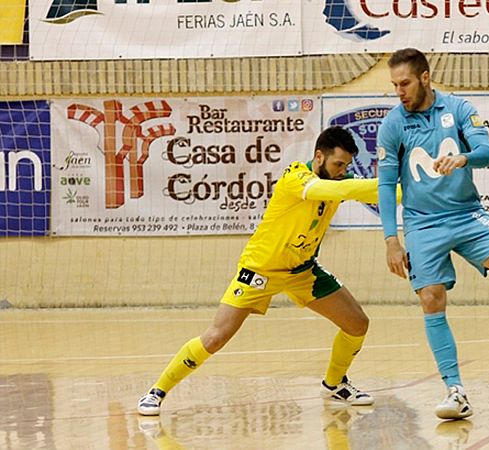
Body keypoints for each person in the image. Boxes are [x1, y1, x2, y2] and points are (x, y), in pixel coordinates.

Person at [138, 126, 385, 416]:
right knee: (216, 336)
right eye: (338, 164)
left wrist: (415, 188)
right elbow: (333, 190)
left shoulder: (338, 180)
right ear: (319, 156)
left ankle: (334, 383)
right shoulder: (296, 177)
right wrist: (377, 184)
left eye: (346, 166)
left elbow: (376, 192)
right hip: (260, 270)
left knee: (357, 324)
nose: (343, 171)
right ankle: (157, 391)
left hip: (302, 271)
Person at [376, 48, 489, 420]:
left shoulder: (458, 109)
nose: (399, 92)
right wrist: (392, 239)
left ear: (425, 77)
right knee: (431, 298)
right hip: (423, 223)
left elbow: (487, 152)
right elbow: (386, 183)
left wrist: (463, 157)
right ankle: (455, 391)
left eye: (405, 83)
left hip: (466, 213)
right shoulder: (393, 124)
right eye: (394, 85)